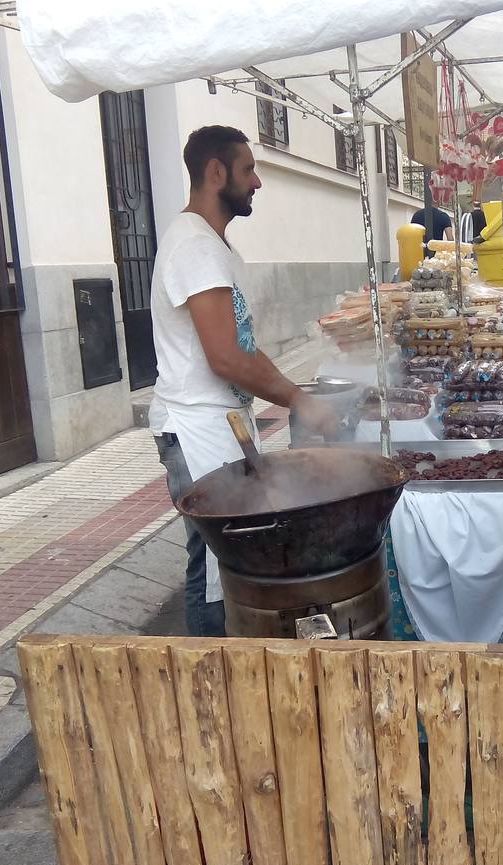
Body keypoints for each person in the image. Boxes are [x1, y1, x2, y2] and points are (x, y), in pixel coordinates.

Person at [148, 126, 336, 636]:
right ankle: (214, 680)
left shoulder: (214, 245)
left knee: (227, 561)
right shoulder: (193, 246)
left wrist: (296, 394)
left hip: (223, 421)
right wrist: (299, 399)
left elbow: (245, 349)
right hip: (196, 427)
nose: (257, 183)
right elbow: (227, 358)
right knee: (213, 567)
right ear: (216, 172)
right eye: (248, 169)